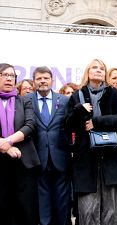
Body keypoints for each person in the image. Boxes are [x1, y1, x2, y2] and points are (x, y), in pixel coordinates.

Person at [65, 59, 117, 225]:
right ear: (87, 72)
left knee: (112, 210)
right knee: (87, 209)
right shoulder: (76, 96)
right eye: (94, 67)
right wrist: (79, 109)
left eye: (102, 68)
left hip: (112, 159)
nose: (98, 70)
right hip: (85, 160)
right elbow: (67, 125)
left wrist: (98, 121)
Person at [26, 66, 71, 225]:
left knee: (62, 201)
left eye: (46, 78)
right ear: (34, 82)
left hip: (61, 157)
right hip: (37, 158)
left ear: (52, 81)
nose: (43, 81)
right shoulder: (26, 100)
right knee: (42, 201)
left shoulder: (64, 100)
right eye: (39, 78)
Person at [0, 63, 40, 225]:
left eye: (12, 76)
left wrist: (8, 141)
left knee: (25, 209)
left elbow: (30, 125)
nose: (9, 78)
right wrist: (5, 147)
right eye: (4, 74)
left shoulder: (24, 101)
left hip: (23, 161)